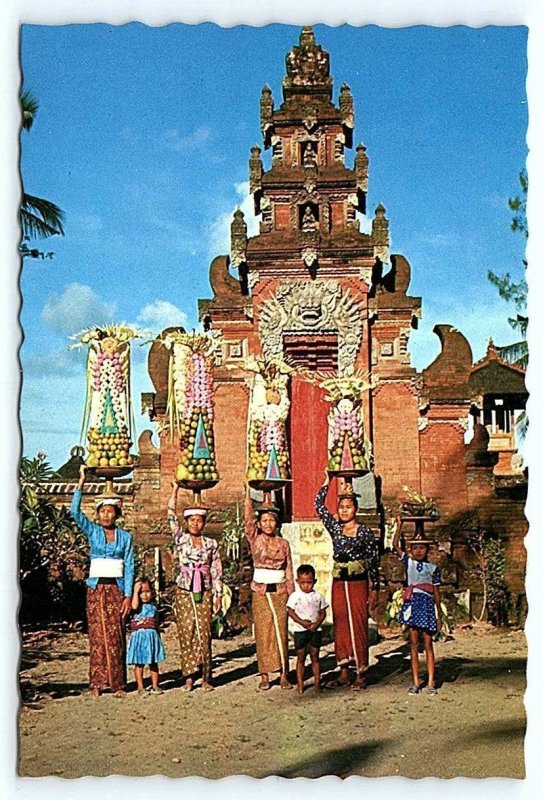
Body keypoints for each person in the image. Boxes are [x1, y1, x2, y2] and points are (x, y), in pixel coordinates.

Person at [71, 465, 134, 697]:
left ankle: (118, 684)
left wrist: (128, 595)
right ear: (97, 514)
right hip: (96, 589)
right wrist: (81, 481)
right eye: (103, 511)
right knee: (98, 635)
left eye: (111, 511)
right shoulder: (93, 532)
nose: (107, 515)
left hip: (116, 589)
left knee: (117, 634)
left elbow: (129, 566)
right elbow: (75, 513)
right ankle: (97, 683)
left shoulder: (125, 538)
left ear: (117, 513)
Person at [314, 472, 380, 690]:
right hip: (339, 583)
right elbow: (319, 505)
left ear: (356, 509)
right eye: (341, 507)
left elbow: (373, 561)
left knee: (358, 623)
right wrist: (328, 479)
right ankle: (344, 669)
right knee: (341, 623)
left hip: (358, 582)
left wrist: (375, 590)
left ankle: (361, 671)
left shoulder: (364, 533)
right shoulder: (335, 529)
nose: (344, 511)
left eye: (348, 507)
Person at [168, 482, 223, 692]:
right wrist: (175, 490)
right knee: (187, 632)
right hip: (185, 591)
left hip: (205, 590)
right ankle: (189, 677)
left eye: (199, 520)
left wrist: (218, 595)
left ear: (204, 523)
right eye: (192, 520)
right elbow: (171, 515)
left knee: (204, 632)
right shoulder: (181, 540)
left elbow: (217, 571)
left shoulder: (211, 544)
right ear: (187, 522)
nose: (195, 524)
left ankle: (206, 677)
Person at [245, 488, 295, 690]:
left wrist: (292, 594)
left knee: (280, 632)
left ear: (277, 523)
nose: (268, 524)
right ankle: (264, 674)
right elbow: (247, 521)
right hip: (260, 592)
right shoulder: (255, 539)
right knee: (263, 632)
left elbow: (289, 568)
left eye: (272, 520)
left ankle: (284, 673)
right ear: (259, 524)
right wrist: (247, 496)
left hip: (280, 591)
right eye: (264, 521)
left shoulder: (283, 543)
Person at [392, 527, 442, 695]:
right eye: (415, 548)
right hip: (413, 605)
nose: (419, 551)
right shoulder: (409, 564)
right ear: (411, 550)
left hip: (427, 607)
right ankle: (415, 682)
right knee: (413, 645)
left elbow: (436, 592)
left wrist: (439, 615)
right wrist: (399, 526)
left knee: (428, 644)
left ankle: (430, 681)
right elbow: (394, 544)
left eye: (422, 547)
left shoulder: (433, 568)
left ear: (427, 549)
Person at [287, 564, 328, 694]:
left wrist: (317, 624)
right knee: (301, 657)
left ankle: (317, 682)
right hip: (300, 630)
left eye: (309, 582)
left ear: (314, 581)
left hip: (315, 630)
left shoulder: (318, 596)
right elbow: (290, 612)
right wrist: (301, 622)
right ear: (297, 581)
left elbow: (323, 613)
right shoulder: (294, 596)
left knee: (315, 656)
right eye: (303, 582)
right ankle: (300, 684)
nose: (306, 585)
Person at [126, 577, 165, 695]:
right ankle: (140, 687)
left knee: (154, 663)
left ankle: (155, 685)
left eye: (147, 592)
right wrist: (135, 592)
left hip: (152, 638)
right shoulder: (135, 607)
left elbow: (156, 624)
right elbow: (134, 605)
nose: (145, 595)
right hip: (139, 638)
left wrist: (158, 638)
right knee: (139, 664)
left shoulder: (153, 608)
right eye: (141, 592)